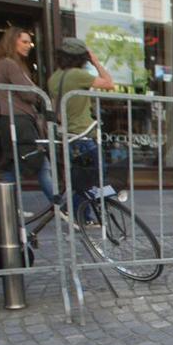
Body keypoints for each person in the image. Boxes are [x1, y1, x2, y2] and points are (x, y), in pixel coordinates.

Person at [47, 37, 114, 222]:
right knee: (93, 176)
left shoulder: (54, 78)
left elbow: (56, 109)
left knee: (79, 177)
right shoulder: (77, 75)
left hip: (68, 134)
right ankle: (72, 210)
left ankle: (83, 216)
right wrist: (96, 61)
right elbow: (109, 83)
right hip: (83, 133)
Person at [0, 26, 54, 204]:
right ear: (13, 42)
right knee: (41, 164)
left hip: (14, 120)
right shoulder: (9, 64)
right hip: (19, 121)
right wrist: (37, 93)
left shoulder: (8, 63)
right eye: (24, 42)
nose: (29, 46)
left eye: (30, 42)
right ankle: (60, 205)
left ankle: (10, 208)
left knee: (12, 165)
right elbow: (29, 94)